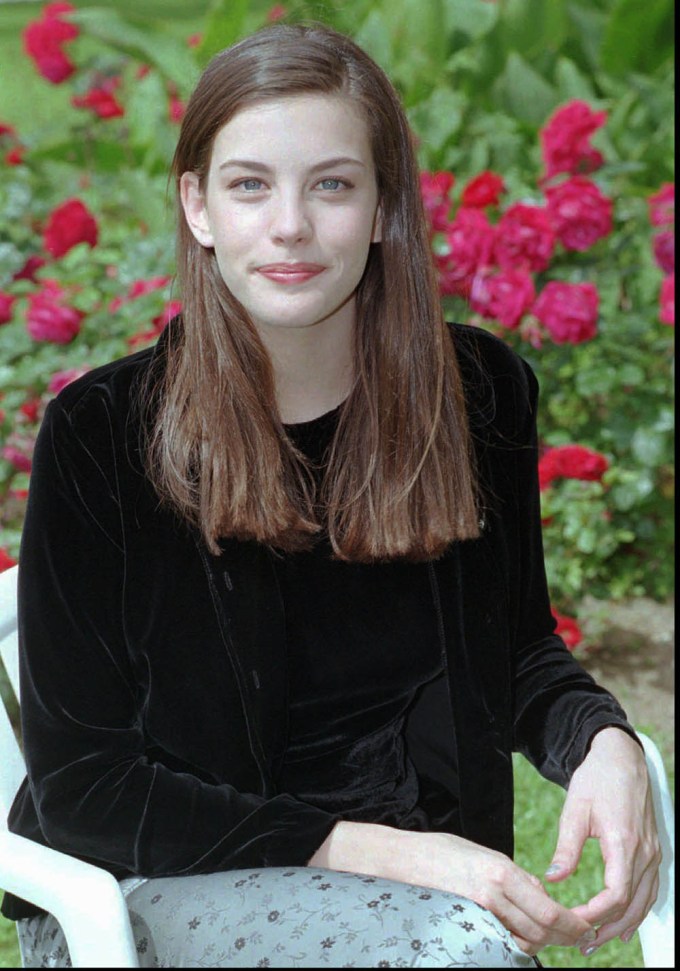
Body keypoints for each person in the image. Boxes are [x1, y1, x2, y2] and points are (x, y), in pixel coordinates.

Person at [2, 22, 660, 969]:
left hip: (423, 883)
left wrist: (603, 740)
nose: (291, 227)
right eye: (250, 184)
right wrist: (396, 855)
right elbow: (89, 789)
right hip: (146, 883)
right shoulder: (102, 433)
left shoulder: (475, 394)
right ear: (197, 206)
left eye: (333, 184)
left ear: (387, 204)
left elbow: (512, 648)